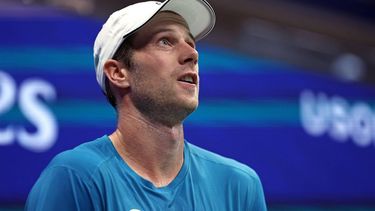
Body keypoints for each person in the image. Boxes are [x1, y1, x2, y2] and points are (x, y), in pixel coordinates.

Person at [25, 0, 267, 210]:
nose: (192, 54)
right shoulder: (76, 177)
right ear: (118, 73)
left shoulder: (239, 185)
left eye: (191, 43)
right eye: (165, 41)